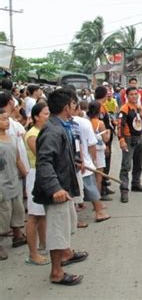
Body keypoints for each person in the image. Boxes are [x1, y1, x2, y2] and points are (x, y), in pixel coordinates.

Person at [33, 88, 88, 286]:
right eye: (74, 104)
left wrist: (74, 161)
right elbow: (45, 162)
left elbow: (59, 155)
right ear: (67, 107)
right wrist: (55, 188)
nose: (76, 108)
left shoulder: (60, 126)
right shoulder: (53, 130)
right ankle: (56, 272)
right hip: (57, 190)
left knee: (66, 226)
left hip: (64, 186)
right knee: (57, 232)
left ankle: (66, 254)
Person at [0, 107, 28, 260]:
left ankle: (17, 236)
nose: (7, 122)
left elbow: (17, 159)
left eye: (7, 119)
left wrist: (25, 174)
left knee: (17, 210)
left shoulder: (10, 138)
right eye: (3, 120)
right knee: (2, 214)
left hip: (14, 180)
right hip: (1, 184)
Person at [24, 102, 50, 265]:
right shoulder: (32, 134)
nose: (48, 117)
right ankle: (33, 254)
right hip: (35, 175)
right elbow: (42, 155)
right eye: (45, 114)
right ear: (35, 117)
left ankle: (43, 244)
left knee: (42, 214)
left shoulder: (42, 131)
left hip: (43, 174)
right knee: (34, 216)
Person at [118, 87, 142, 203]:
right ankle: (124, 189)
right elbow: (120, 125)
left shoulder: (138, 108)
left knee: (138, 163)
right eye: (131, 94)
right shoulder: (124, 109)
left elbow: (141, 123)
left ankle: (136, 183)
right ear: (127, 96)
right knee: (126, 165)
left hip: (139, 138)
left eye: (136, 94)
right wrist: (121, 139)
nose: (134, 96)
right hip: (128, 138)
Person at [94, 86, 115, 197]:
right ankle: (102, 189)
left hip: (106, 139)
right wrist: (105, 144)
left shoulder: (102, 106)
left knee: (105, 164)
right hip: (103, 140)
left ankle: (104, 185)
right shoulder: (99, 108)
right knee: (103, 165)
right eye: (107, 93)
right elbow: (100, 128)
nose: (109, 95)